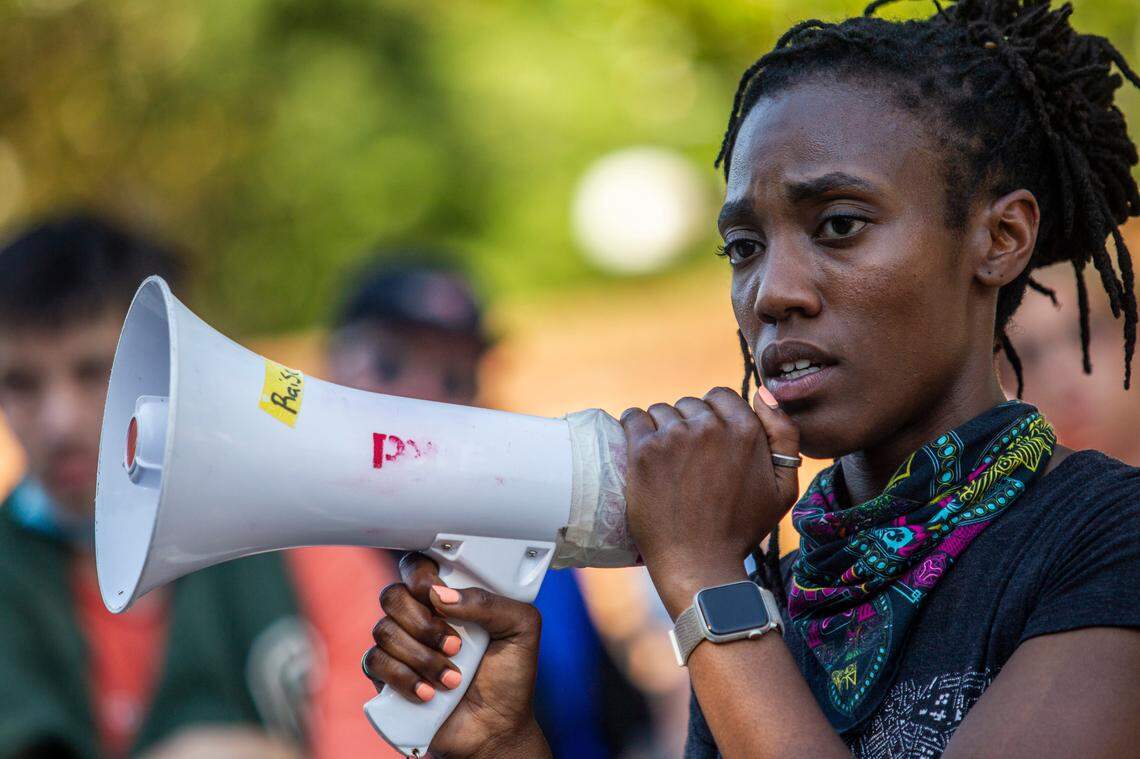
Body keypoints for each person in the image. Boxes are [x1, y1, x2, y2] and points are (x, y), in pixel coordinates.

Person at [361, 1, 1140, 757]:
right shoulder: (784, 599)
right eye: (742, 247)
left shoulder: (1107, 537)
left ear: (999, 239)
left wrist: (706, 580)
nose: (772, 291)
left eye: (839, 225)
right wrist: (502, 743)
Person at [0, 214, 303, 759]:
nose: (59, 422)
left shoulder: (303, 541)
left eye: (95, 371)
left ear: (174, 365)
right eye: (20, 382)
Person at [331, 258, 654, 758]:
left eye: (456, 378)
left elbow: (619, 725)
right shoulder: (282, 565)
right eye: (391, 366)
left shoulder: (536, 549)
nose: (428, 398)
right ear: (332, 368)